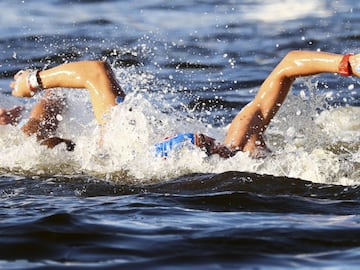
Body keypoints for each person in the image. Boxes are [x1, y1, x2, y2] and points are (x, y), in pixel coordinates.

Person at [1, 50, 359, 158]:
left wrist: (346, 63)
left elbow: (286, 67)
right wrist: (344, 64)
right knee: (40, 130)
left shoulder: (241, 142)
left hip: (128, 158)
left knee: (41, 133)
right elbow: (286, 67)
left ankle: (32, 95)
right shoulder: (244, 143)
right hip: (134, 159)